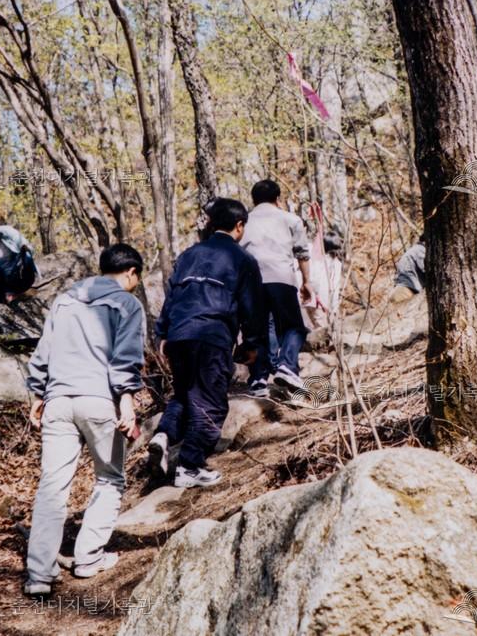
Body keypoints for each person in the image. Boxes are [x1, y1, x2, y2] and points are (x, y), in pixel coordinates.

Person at [23, 244, 145, 596]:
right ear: (131, 273)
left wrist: (37, 394)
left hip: (59, 401)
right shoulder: (127, 303)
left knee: (52, 485)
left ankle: (39, 576)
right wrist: (126, 400)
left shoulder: (63, 301)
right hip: (99, 400)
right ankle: (88, 557)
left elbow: (43, 352)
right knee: (109, 478)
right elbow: (125, 358)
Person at [149, 198, 265, 489]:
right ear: (239, 226)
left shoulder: (189, 255)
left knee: (184, 395)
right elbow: (252, 306)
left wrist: (163, 333)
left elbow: (172, 295)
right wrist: (252, 343)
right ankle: (190, 465)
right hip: (211, 335)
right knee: (211, 403)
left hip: (179, 333)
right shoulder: (243, 259)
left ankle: (163, 435)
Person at [239, 180, 312, 397]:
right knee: (294, 327)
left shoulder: (243, 222)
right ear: (278, 198)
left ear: (253, 200)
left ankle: (259, 379)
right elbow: (302, 253)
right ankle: (287, 366)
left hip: (251, 282)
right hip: (281, 277)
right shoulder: (290, 219)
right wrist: (307, 282)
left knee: (261, 330)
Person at [390, 233, 426, 303]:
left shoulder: (414, 250)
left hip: (400, 290)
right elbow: (426, 270)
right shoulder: (421, 250)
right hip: (405, 291)